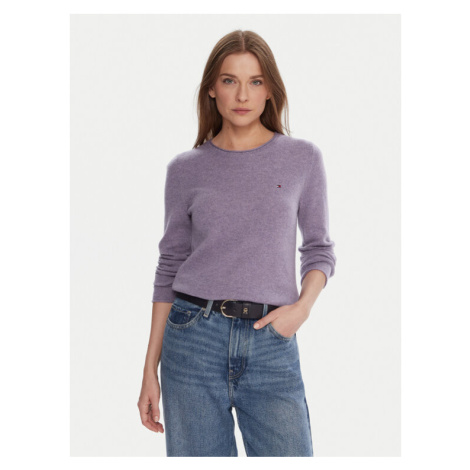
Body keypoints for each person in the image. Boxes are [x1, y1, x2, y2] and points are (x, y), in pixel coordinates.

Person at [137, 29, 336, 457]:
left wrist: (301, 309)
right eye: (230, 80)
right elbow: (169, 267)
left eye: (255, 81)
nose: (242, 95)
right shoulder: (185, 169)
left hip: (272, 341)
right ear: (212, 88)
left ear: (270, 90)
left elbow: (319, 249)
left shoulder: (302, 158)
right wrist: (149, 369)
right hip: (192, 340)